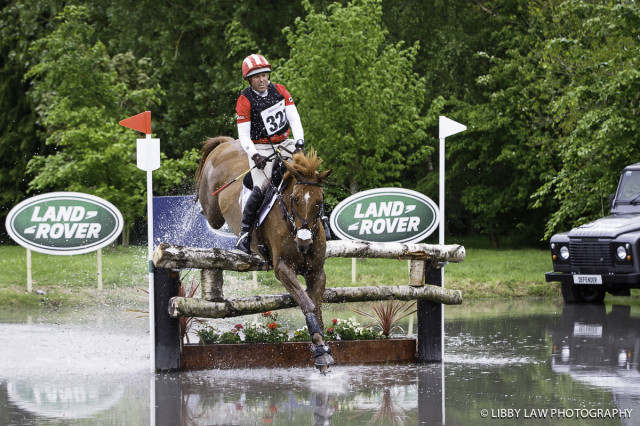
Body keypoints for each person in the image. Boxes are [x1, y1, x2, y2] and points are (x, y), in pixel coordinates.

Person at [235, 53, 305, 254]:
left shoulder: (280, 90)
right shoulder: (245, 100)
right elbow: (244, 136)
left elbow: (295, 120)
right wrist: (254, 154)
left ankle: (322, 219)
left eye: (264, 75)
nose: (262, 79)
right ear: (249, 80)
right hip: (261, 148)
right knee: (261, 187)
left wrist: (299, 143)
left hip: (284, 143)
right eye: (256, 77)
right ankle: (244, 233)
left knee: (308, 175)